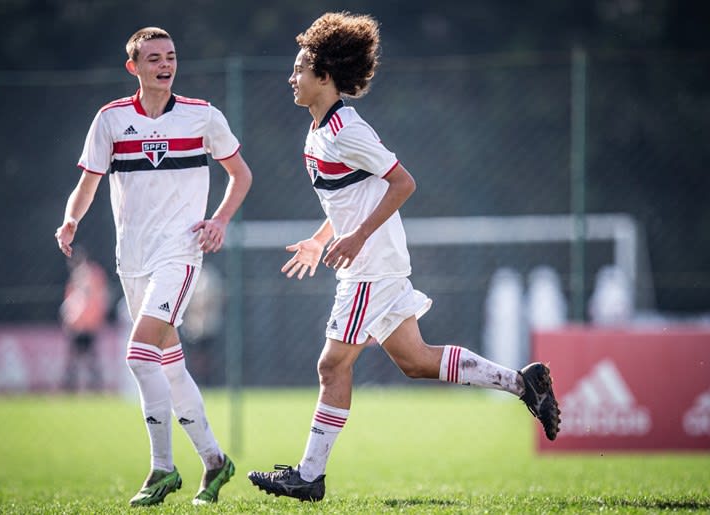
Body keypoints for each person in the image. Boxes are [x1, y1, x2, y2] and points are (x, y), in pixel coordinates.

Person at [248, 12, 561, 502]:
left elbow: (402, 182)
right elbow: (352, 197)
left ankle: (309, 476)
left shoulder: (346, 130)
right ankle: (524, 384)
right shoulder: (318, 132)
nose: (292, 79)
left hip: (369, 267)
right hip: (374, 262)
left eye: (299, 71)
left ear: (324, 77)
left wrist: (355, 240)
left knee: (332, 365)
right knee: (416, 361)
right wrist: (321, 237)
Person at [55, 26, 252, 506]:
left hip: (180, 256)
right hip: (133, 261)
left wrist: (219, 221)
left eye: (171, 56)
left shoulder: (203, 116)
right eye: (154, 58)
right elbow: (89, 182)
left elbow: (241, 174)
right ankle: (215, 461)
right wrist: (69, 219)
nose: (165, 64)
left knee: (138, 356)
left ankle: (161, 469)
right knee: (169, 366)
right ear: (134, 67)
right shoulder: (111, 120)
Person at [60, 245, 109, 391]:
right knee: (82, 359)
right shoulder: (77, 277)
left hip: (86, 324)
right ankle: (78, 387)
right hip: (80, 324)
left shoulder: (90, 275)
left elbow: (95, 298)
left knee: (85, 359)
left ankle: (90, 387)